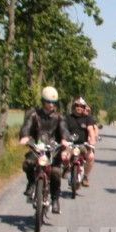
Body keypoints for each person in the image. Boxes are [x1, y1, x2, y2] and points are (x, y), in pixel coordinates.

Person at [19, 86, 71, 214]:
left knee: (55, 172)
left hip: (53, 149)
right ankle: (31, 183)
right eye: (48, 102)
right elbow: (26, 127)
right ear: (43, 101)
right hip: (37, 147)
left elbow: (64, 129)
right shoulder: (34, 114)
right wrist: (25, 136)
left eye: (54, 102)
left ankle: (55, 199)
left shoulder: (59, 117)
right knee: (28, 163)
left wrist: (64, 139)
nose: (51, 105)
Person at [65, 96, 97, 186]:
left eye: (82, 106)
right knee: (65, 157)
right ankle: (66, 168)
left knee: (91, 156)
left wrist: (92, 140)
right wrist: (64, 140)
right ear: (74, 107)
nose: (79, 108)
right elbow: (63, 130)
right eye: (77, 106)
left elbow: (91, 130)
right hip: (70, 144)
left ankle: (85, 177)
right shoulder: (68, 118)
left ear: (84, 108)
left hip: (83, 145)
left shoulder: (87, 118)